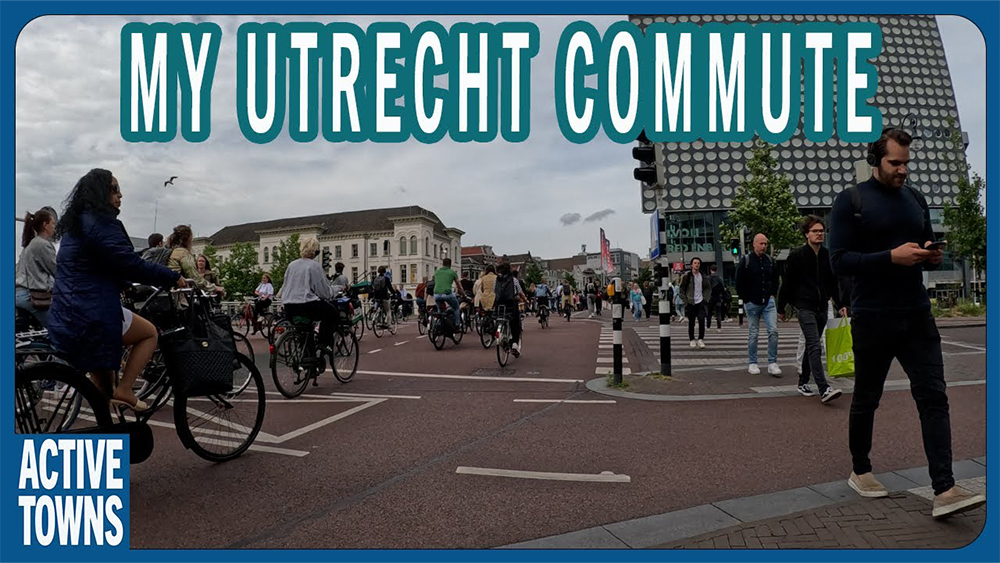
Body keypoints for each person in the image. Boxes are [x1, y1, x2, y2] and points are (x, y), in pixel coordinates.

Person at [830, 127, 984, 517]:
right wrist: (889, 257)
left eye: (906, 163)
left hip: (916, 313)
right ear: (875, 160)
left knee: (934, 396)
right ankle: (860, 469)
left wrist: (931, 256)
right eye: (895, 163)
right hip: (872, 315)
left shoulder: (916, 198)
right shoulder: (851, 201)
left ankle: (945, 488)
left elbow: (924, 243)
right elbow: (839, 261)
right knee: (867, 397)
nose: (902, 170)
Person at [47, 169, 186, 412]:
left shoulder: (76, 224)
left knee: (102, 390)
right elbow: (130, 264)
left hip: (67, 310)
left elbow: (95, 264)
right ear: (101, 192)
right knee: (149, 334)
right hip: (92, 313)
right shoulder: (101, 224)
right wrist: (173, 277)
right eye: (115, 189)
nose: (120, 195)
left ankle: (106, 424)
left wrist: (123, 284)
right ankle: (126, 389)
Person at [778, 215, 846, 403]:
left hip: (821, 307)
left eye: (821, 231)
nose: (819, 234)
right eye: (815, 231)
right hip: (804, 307)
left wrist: (840, 304)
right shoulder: (797, 256)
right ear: (806, 234)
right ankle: (824, 388)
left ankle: (802, 382)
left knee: (811, 346)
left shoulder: (827, 255)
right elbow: (787, 282)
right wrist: (781, 306)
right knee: (815, 345)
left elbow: (833, 283)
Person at [277, 237, 337, 350]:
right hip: (307, 306)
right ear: (316, 252)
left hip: (289, 307)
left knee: (304, 329)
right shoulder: (314, 266)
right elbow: (323, 292)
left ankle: (307, 352)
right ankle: (324, 344)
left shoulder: (291, 265)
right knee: (331, 312)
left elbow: (286, 285)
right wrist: (332, 292)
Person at [736, 233, 781, 376]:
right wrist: (745, 299)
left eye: (765, 244)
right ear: (754, 244)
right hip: (752, 301)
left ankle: (772, 362)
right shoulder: (746, 261)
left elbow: (775, 278)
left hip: (768, 301)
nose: (763, 246)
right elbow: (739, 281)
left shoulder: (770, 261)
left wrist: (773, 293)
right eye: (761, 243)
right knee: (753, 333)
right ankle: (753, 362)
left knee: (773, 331)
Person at [15, 208, 58, 326]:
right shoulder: (43, 245)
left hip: (20, 294)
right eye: (53, 223)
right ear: (45, 225)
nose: (55, 227)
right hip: (31, 297)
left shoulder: (30, 244)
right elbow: (57, 272)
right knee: (58, 327)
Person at [165, 224, 226, 299]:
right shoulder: (183, 253)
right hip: (176, 293)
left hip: (165, 291)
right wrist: (214, 288)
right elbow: (194, 277)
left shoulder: (170, 250)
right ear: (188, 239)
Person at [679, 257, 712, 348]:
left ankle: (700, 339)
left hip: (700, 301)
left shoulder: (703, 276)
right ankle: (692, 339)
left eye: (698, 263)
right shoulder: (687, 276)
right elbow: (681, 289)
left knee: (702, 320)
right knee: (691, 322)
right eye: (695, 263)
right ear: (691, 265)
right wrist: (685, 301)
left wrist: (705, 298)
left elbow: (708, 287)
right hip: (691, 302)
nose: (697, 265)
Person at [494, 262, 523, 355]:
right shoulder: (514, 280)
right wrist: (525, 300)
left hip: (499, 305)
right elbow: (520, 292)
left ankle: (501, 336)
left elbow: (495, 291)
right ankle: (514, 344)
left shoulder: (497, 280)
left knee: (499, 319)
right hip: (511, 304)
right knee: (515, 322)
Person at [432, 258, 465, 328]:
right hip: (447, 294)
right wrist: (463, 294)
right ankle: (457, 325)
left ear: (442, 264)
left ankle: (439, 324)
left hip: (436, 294)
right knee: (456, 308)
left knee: (440, 310)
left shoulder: (437, 272)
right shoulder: (452, 272)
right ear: (450, 264)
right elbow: (459, 286)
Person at [708, 264, 724, 332]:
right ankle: (719, 327)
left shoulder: (708, 278)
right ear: (716, 270)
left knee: (709, 313)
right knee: (718, 313)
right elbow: (723, 288)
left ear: (710, 270)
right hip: (718, 297)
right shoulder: (719, 278)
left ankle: (708, 326)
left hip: (710, 297)